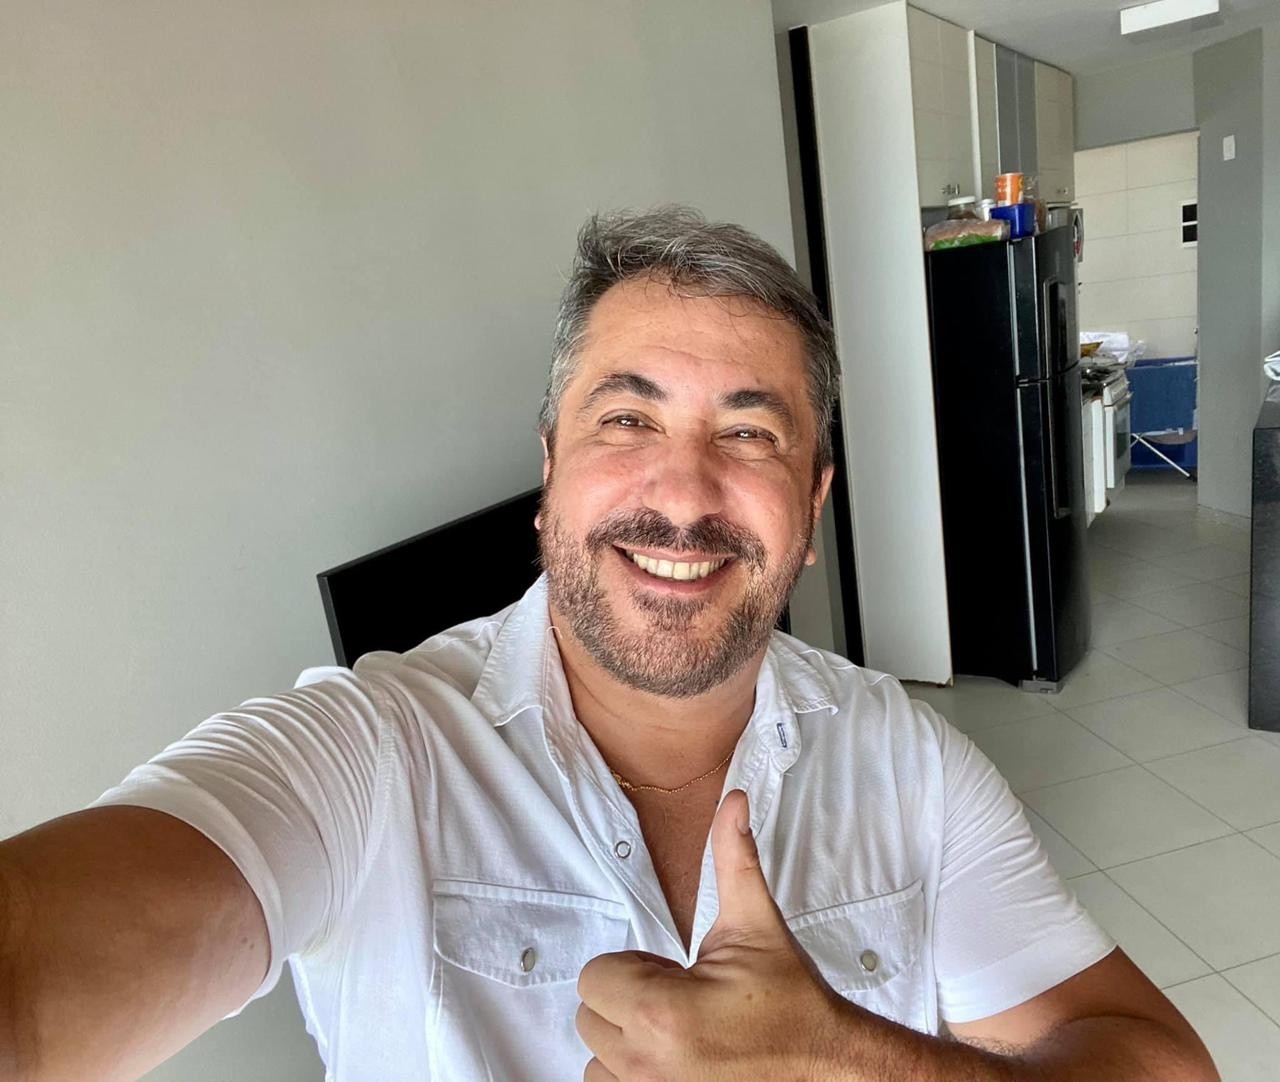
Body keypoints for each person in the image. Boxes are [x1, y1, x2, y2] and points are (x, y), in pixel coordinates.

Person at [0, 207, 1216, 1082]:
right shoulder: (367, 749)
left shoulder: (908, 759)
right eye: (626, 417)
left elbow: (1157, 1058)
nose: (681, 492)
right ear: (550, 475)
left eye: (750, 433)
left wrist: (850, 1060)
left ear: (810, 511)